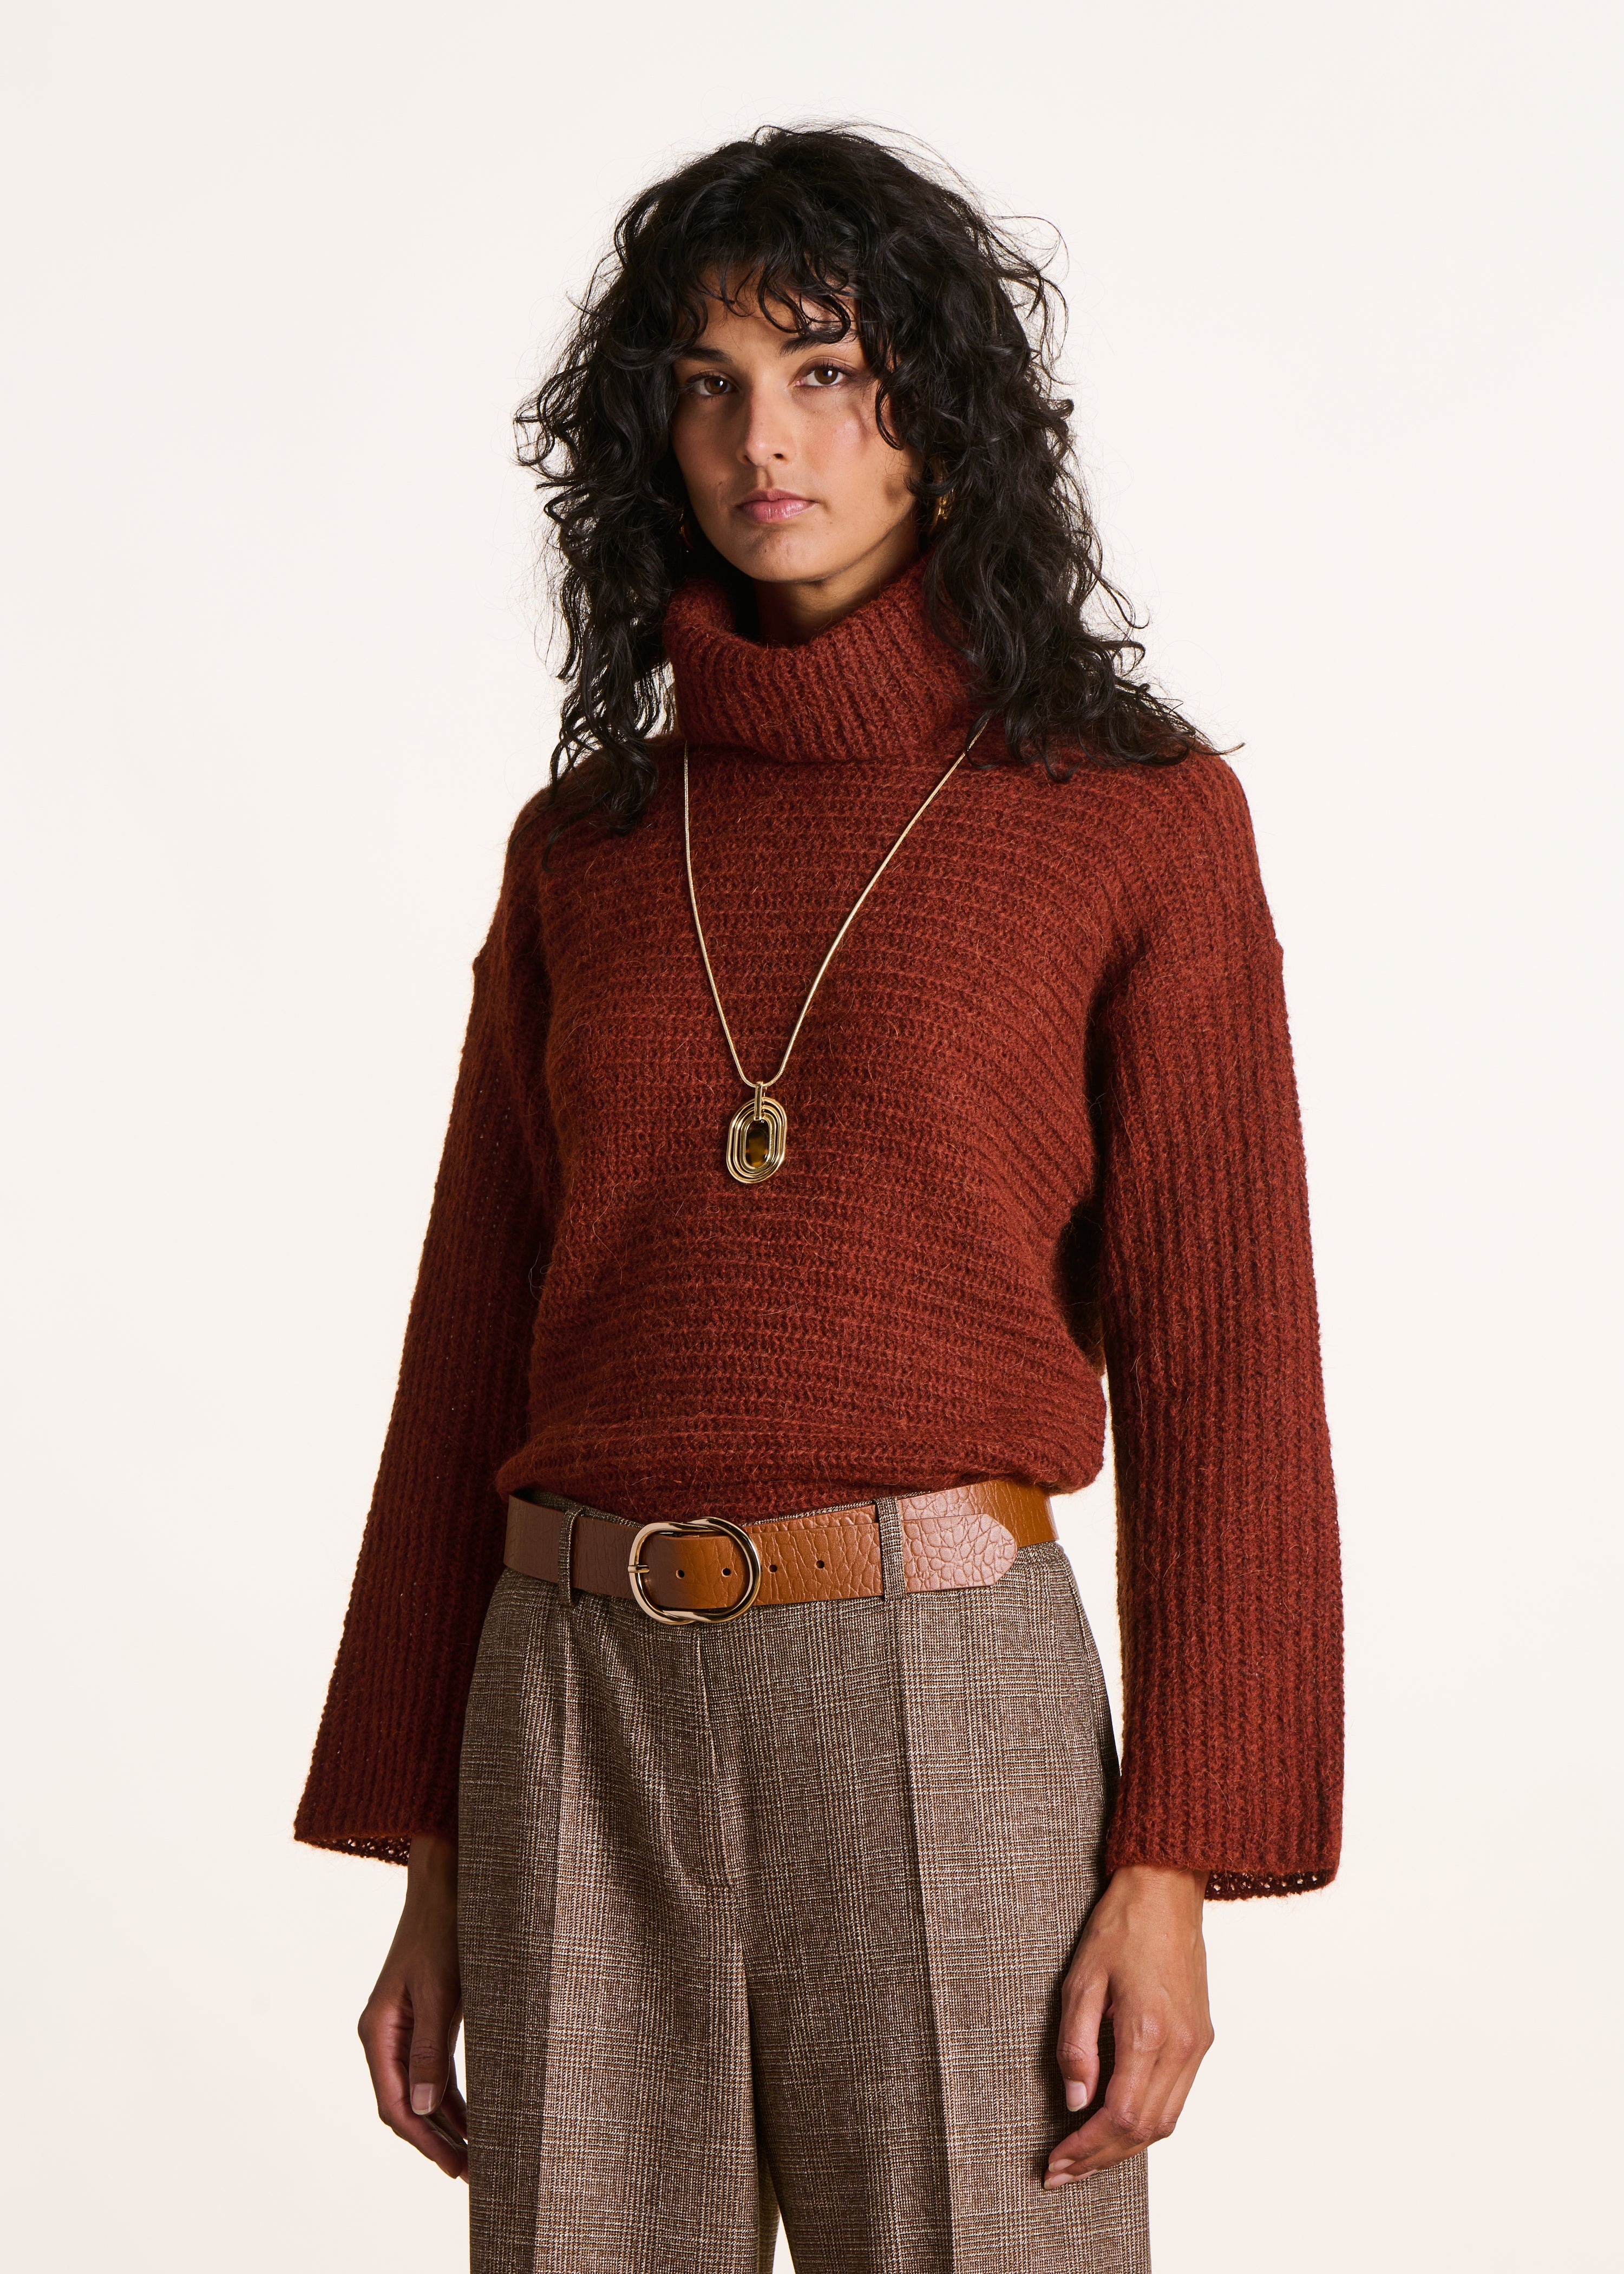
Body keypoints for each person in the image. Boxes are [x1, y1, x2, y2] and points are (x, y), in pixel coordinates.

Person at [296, 124, 1343, 2274]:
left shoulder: (1131, 820)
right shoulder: (586, 850)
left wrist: (1177, 1862)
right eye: (710, 384)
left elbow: (1227, 1360)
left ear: (940, 410)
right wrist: (432, 1852)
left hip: (946, 1693)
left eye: (829, 373)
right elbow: (474, 1353)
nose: (765, 441)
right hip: (572, 1703)